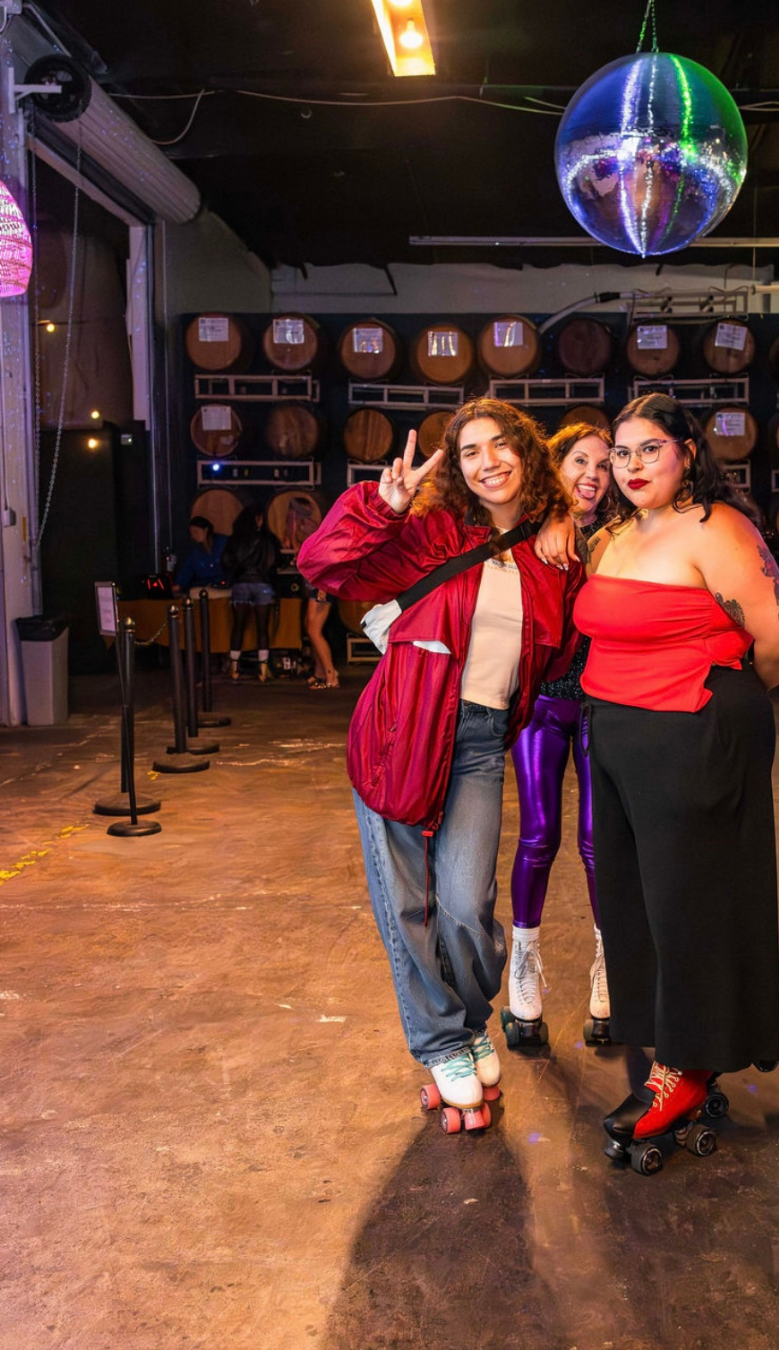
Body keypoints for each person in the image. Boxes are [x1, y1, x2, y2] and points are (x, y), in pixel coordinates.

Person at [297, 399, 582, 1128]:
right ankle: (444, 1041)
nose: (487, 462)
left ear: (526, 451)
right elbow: (322, 564)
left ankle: (465, 1019)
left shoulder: (552, 550)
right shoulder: (430, 533)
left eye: (500, 446)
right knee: (409, 904)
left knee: (464, 904)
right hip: (405, 726)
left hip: (482, 740)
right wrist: (379, 506)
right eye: (469, 453)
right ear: (456, 471)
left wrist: (560, 522)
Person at [575, 392, 779, 1155]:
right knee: (633, 904)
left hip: (691, 736)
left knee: (687, 908)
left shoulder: (717, 528)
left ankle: (688, 1066)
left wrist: (716, 702)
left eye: (650, 449)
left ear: (688, 453)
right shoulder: (613, 534)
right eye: (622, 453)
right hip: (615, 736)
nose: (633, 465)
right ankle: (665, 1041)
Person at [506, 423, 613, 1045]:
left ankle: (607, 968)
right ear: (557, 463)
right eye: (580, 460)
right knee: (539, 834)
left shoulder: (622, 537)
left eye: (604, 463)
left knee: (600, 842)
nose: (592, 474)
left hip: (602, 705)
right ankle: (523, 968)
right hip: (544, 702)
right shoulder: (530, 529)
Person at [222, 506, 280, 682]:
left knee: (238, 627)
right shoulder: (266, 538)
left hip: (241, 584)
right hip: (262, 584)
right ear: (257, 519)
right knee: (262, 629)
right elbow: (274, 560)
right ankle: (262, 671)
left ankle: (234, 669)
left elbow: (225, 560)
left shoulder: (235, 539)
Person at [172, 516, 227, 596]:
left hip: (225, 587)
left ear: (206, 530)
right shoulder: (195, 552)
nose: (193, 536)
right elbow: (186, 572)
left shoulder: (224, 543)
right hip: (202, 589)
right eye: (191, 533)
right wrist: (177, 586)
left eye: (196, 532)